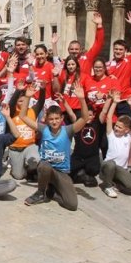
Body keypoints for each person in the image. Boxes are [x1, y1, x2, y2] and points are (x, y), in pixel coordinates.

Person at [20, 82, 89, 211]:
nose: (54, 121)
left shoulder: (68, 130)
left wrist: (82, 99)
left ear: (61, 118)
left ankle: (52, 191)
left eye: (57, 118)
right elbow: (23, 116)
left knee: (72, 205)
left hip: (61, 173)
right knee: (44, 165)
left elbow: (84, 118)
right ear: (47, 120)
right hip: (46, 169)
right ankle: (40, 193)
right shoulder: (44, 129)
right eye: (51, 119)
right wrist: (28, 97)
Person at [100, 91, 131, 198]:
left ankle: (115, 183)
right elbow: (109, 117)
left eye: (120, 127)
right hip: (108, 166)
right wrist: (114, 103)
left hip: (120, 169)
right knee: (111, 164)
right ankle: (107, 186)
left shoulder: (129, 137)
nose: (116, 128)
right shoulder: (111, 135)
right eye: (116, 125)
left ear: (127, 130)